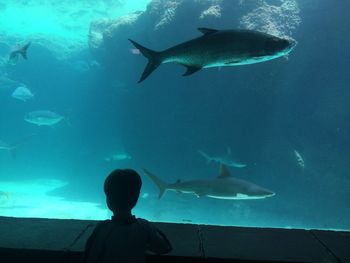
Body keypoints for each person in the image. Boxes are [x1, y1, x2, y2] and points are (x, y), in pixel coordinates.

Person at [82, 169, 172, 263]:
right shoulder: (144, 227)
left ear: (109, 202)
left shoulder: (103, 228)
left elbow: (89, 257)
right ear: (136, 199)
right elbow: (165, 248)